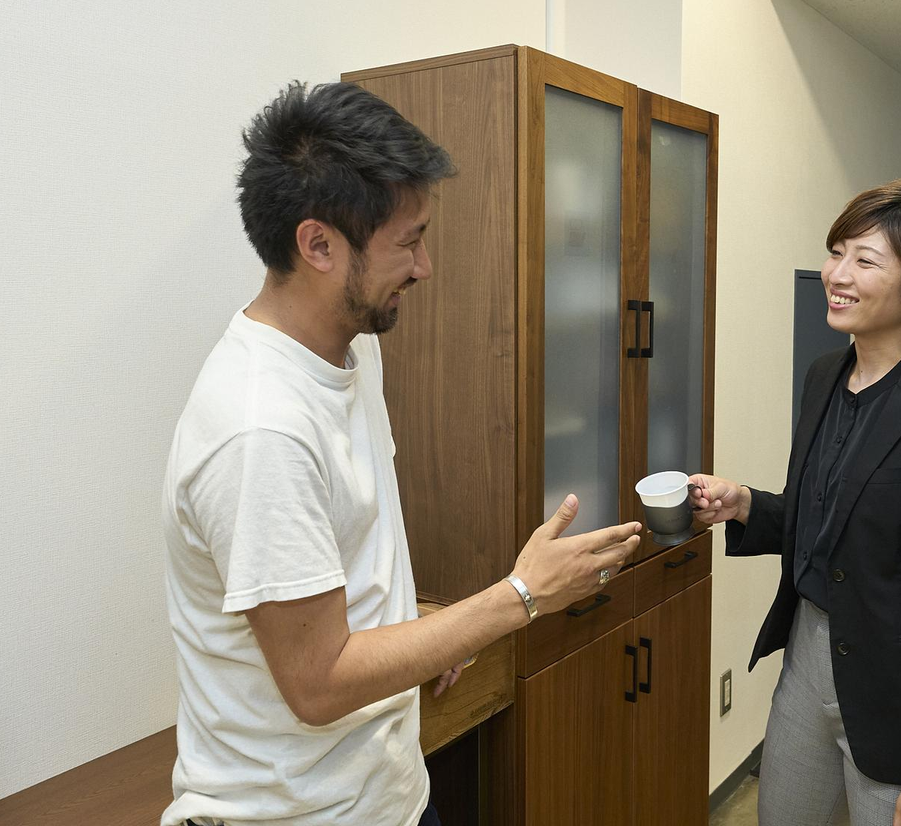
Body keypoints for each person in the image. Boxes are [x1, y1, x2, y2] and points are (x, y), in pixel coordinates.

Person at [160, 80, 641, 826]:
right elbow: (318, 683)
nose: (425, 267)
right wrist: (521, 595)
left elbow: (349, 553)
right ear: (319, 245)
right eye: (408, 242)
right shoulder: (260, 430)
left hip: (390, 792)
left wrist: (426, 630)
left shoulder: (354, 350)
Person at [690, 178, 901, 826]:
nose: (836, 274)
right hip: (810, 653)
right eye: (836, 251)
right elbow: (838, 525)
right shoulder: (825, 375)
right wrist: (744, 504)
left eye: (864, 260)